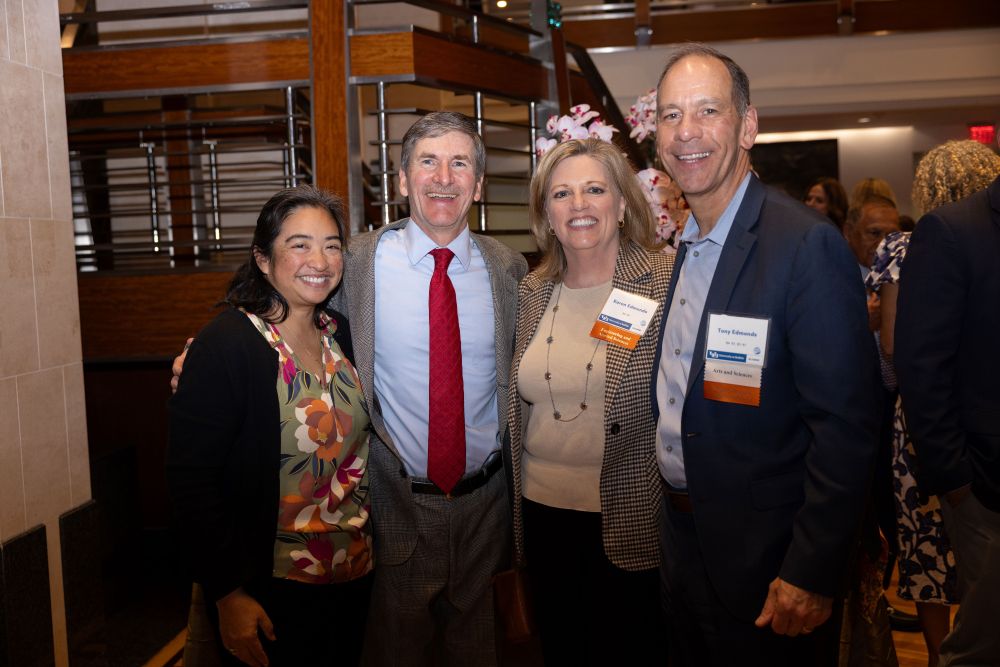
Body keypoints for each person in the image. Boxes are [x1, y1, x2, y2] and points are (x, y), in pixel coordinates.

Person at [651, 43, 881, 665]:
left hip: (769, 566)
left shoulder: (804, 246)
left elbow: (847, 426)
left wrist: (811, 569)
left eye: (707, 111)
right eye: (670, 115)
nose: (686, 132)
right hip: (682, 545)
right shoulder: (687, 243)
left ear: (749, 125)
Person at [167, 185, 373, 667]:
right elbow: (191, 481)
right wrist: (227, 592)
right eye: (298, 244)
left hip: (354, 575)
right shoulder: (229, 344)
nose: (318, 260)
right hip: (272, 588)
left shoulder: (339, 333)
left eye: (331, 245)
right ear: (263, 259)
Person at [505, 138, 673, 664]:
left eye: (594, 190)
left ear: (622, 205)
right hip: (541, 518)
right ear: (546, 215)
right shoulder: (532, 291)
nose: (578, 205)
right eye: (562, 194)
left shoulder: (666, 283)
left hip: (628, 514)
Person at [893, 137, 1000, 667]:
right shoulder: (953, 231)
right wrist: (957, 482)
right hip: (986, 482)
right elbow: (920, 364)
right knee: (982, 641)